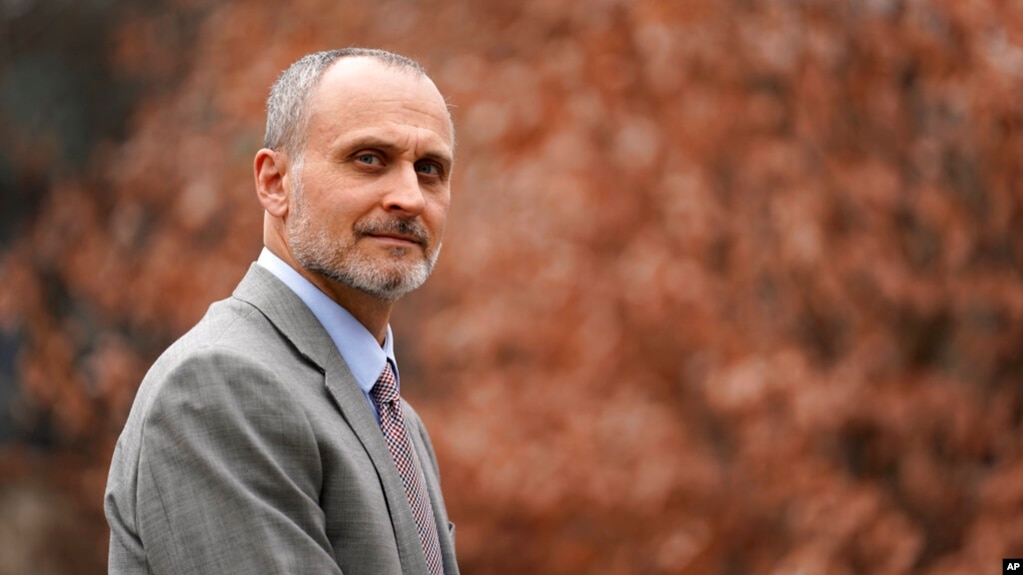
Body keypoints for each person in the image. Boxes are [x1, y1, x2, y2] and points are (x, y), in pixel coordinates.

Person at [104, 48, 460, 575]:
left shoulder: (395, 418)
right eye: (369, 159)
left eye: (429, 169)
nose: (409, 197)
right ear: (274, 182)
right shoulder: (219, 385)